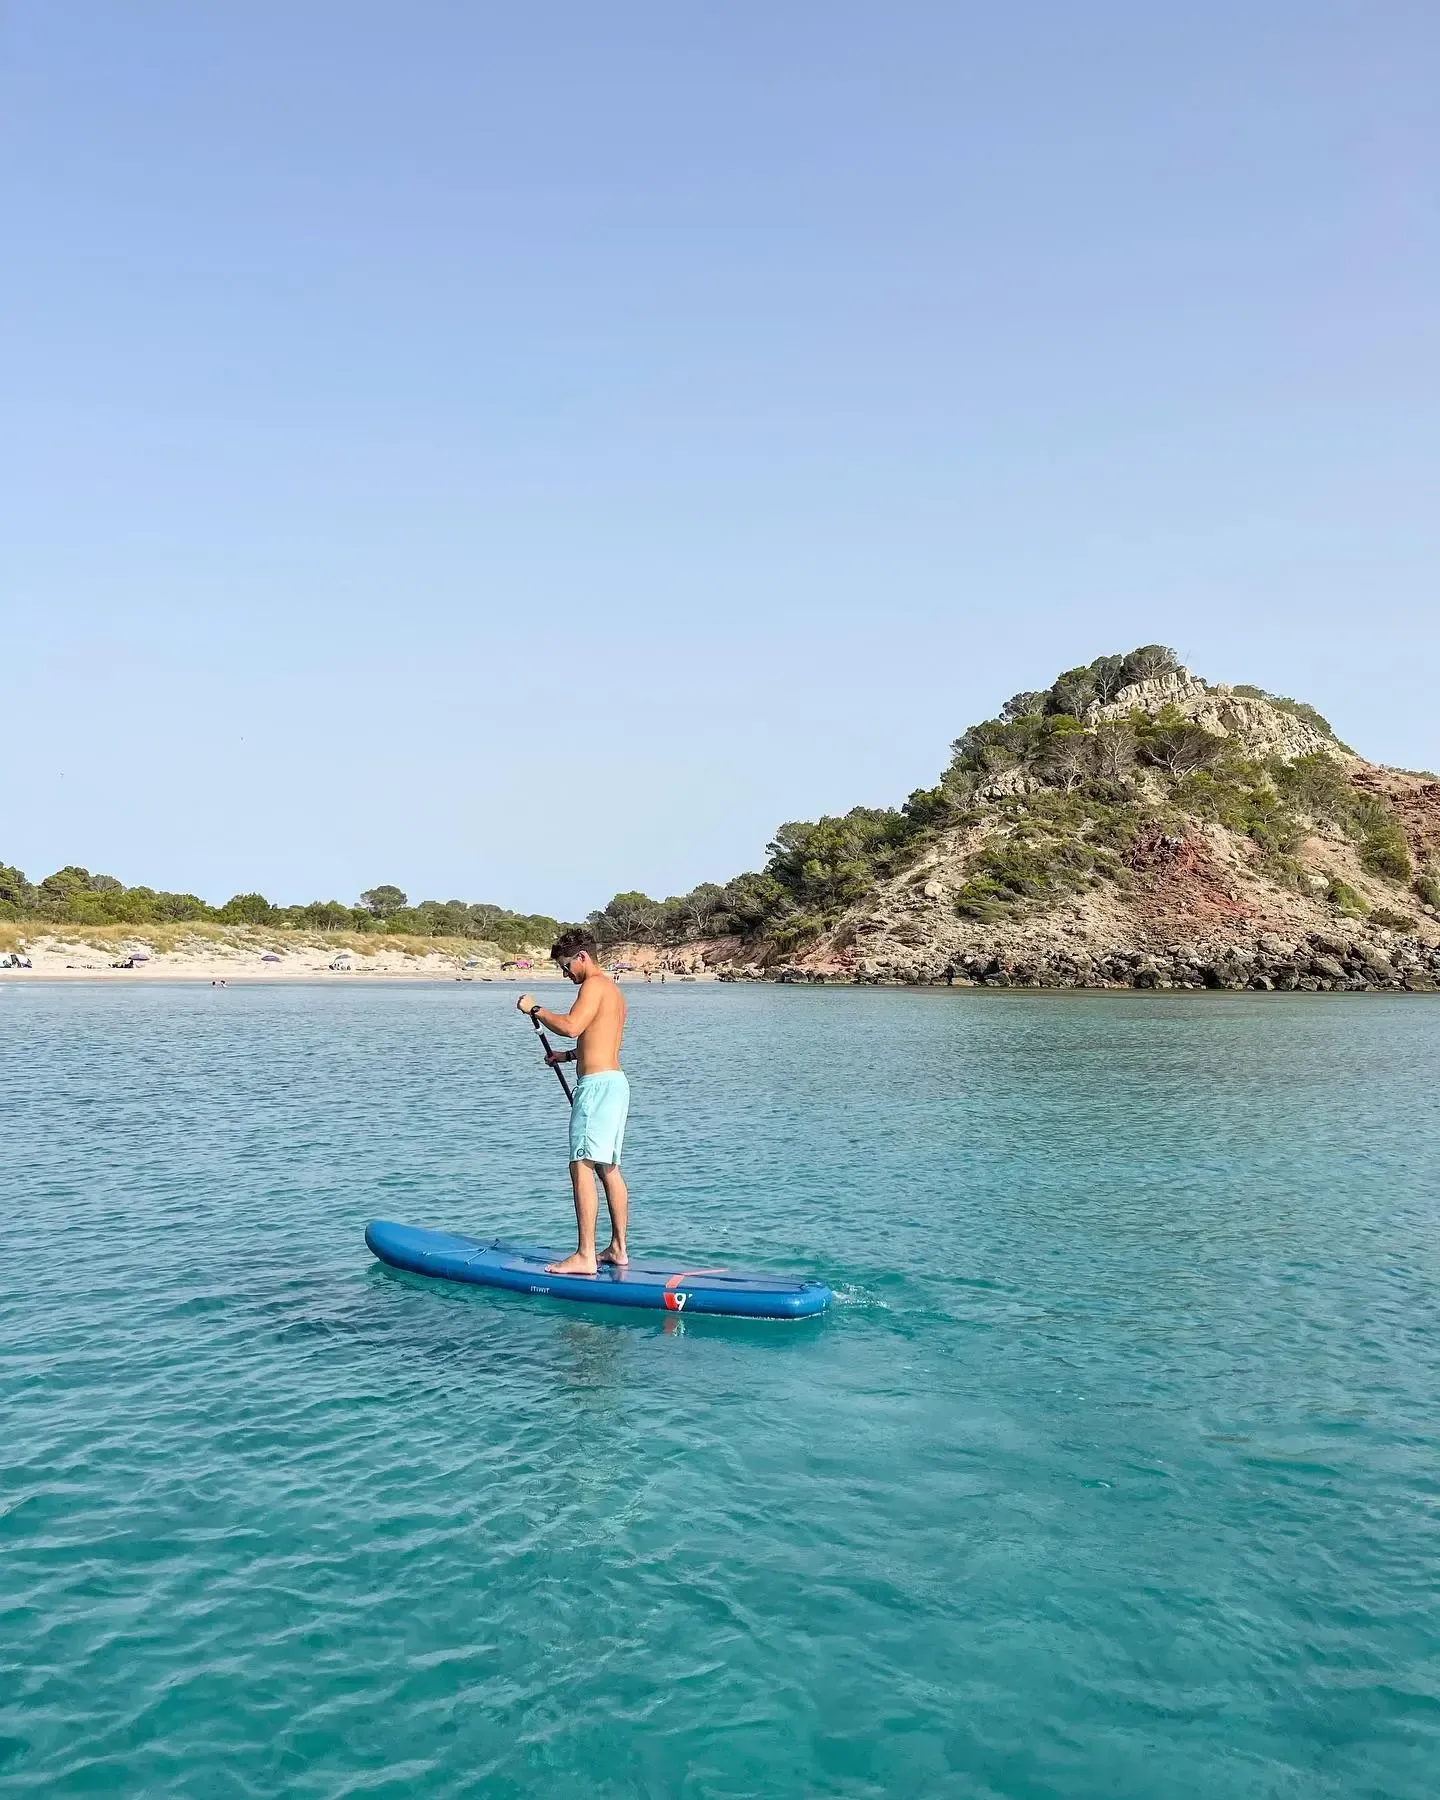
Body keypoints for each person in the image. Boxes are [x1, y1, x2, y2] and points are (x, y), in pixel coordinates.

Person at [517, 927, 629, 1275]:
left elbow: (571, 1026)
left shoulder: (593, 985)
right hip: (614, 1083)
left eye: (566, 966)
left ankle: (584, 1256)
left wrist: (535, 1009)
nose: (566, 974)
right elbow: (595, 1039)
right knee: (607, 1167)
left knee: (580, 1164)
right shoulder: (612, 990)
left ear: (583, 957)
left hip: (596, 1088)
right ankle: (618, 1249)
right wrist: (567, 1058)